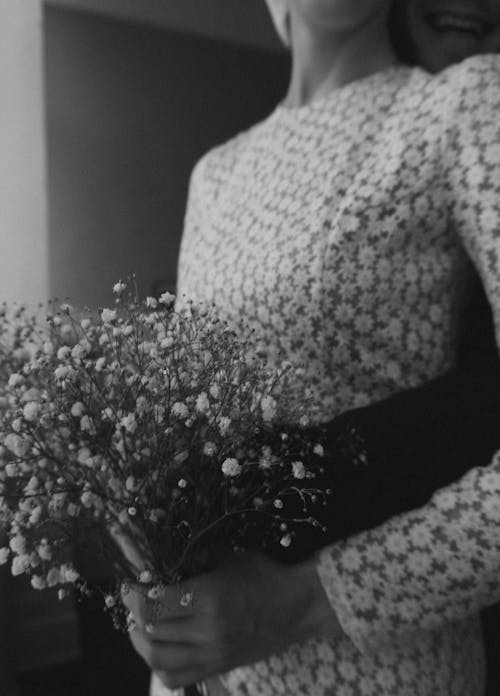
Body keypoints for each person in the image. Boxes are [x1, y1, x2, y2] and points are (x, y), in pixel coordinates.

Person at [124, 1, 500, 694]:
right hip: (211, 666)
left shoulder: (462, 105)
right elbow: (179, 433)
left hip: (377, 661)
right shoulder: (215, 174)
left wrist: (305, 602)